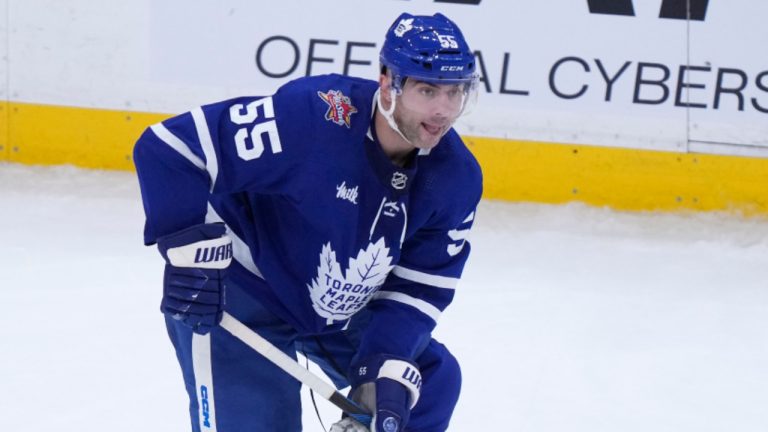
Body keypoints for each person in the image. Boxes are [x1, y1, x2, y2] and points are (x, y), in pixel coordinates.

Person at [134, 11, 481, 432]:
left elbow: (418, 289)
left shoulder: (455, 178)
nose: (444, 110)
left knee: (424, 384)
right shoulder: (313, 118)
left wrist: (384, 364)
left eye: (455, 92)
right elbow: (170, 149)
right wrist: (191, 257)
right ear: (388, 83)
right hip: (241, 292)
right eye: (428, 90)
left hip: (332, 304)